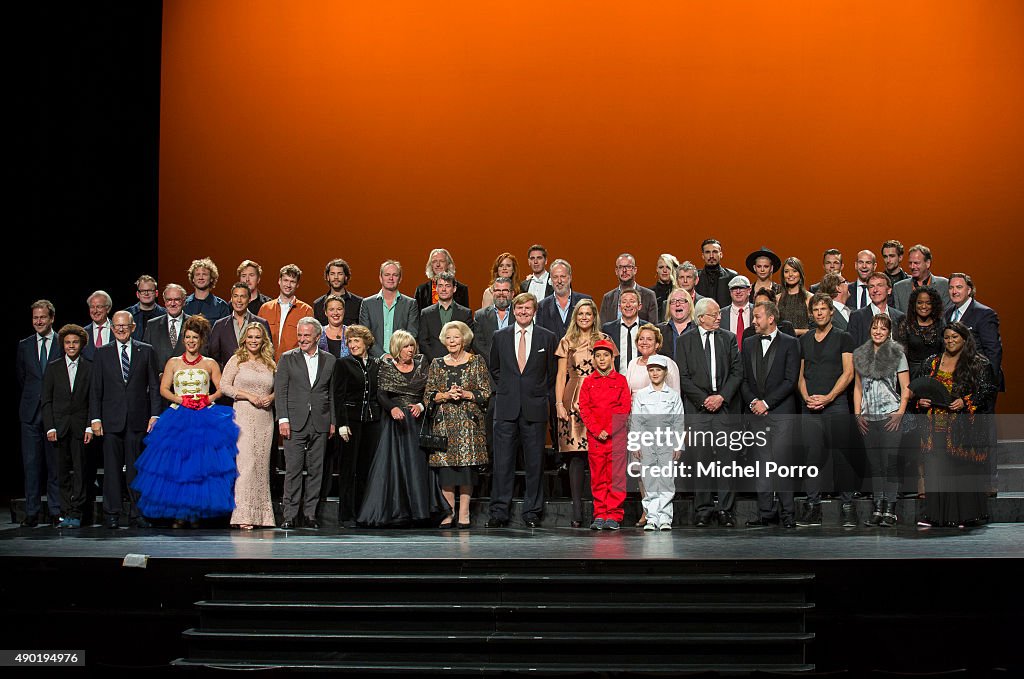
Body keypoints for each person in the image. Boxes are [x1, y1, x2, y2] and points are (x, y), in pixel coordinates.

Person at [132, 315, 239, 526]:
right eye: (188, 337)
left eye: (195, 338)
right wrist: (181, 399)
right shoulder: (173, 362)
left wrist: (206, 399)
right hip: (178, 416)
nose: (191, 341)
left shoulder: (210, 364)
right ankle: (180, 513)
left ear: (201, 341)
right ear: (183, 339)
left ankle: (197, 512)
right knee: (179, 467)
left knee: (200, 467)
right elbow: (163, 389)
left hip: (204, 417)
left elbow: (221, 389)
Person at [358, 330, 448, 527]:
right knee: (394, 465)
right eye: (406, 346)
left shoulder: (422, 363)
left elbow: (431, 390)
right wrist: (392, 408)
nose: (410, 349)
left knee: (417, 465)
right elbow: (381, 395)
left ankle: (420, 511)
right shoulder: (387, 366)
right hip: (396, 423)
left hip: (418, 420)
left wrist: (422, 406)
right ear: (397, 349)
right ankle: (396, 512)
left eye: (412, 346)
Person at [915, 322, 996, 528]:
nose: (950, 341)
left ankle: (965, 516)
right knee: (936, 470)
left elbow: (987, 391)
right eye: (947, 337)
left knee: (960, 470)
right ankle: (935, 516)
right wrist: (921, 401)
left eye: (955, 337)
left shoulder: (978, 363)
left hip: (962, 427)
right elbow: (921, 389)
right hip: (934, 425)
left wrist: (965, 401)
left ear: (964, 339)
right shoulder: (931, 362)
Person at [487, 293, 557, 528]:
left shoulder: (548, 337)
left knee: (535, 463)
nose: (524, 312)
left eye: (528, 308)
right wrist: (510, 388)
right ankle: (499, 512)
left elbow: (551, 373)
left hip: (534, 407)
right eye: (520, 308)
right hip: (506, 408)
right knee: (503, 462)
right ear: (514, 311)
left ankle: (532, 512)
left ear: (534, 311)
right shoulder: (500, 336)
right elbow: (494, 369)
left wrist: (535, 391)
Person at [90, 310, 162, 529]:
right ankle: (111, 513)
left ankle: (137, 512)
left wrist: (155, 414)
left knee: (136, 469)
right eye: (117, 326)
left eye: (125, 326)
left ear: (132, 327)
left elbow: (154, 386)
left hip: (137, 419)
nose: (121, 329)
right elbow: (96, 388)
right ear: (112, 329)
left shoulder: (146, 350)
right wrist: (95, 418)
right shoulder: (102, 353)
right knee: (111, 470)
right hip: (111, 420)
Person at [676, 298, 743, 527]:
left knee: (726, 461)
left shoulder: (729, 338)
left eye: (719, 314)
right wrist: (704, 400)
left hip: (724, 408)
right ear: (701, 317)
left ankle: (725, 510)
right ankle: (703, 509)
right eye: (714, 314)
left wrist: (721, 397)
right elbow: (683, 377)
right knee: (701, 461)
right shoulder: (685, 341)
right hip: (698, 410)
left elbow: (737, 372)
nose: (719, 317)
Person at [797, 294, 856, 527]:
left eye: (824, 309)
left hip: (836, 405)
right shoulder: (805, 340)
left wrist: (829, 397)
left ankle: (848, 507)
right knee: (812, 457)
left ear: (832, 311)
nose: (820, 313)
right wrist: (807, 398)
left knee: (841, 456)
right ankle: (813, 507)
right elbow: (800, 375)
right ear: (811, 313)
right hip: (809, 405)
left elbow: (848, 373)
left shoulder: (844, 338)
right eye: (816, 309)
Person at [740, 300, 801, 529]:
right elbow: (744, 379)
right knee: (762, 466)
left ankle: (788, 514)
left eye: (757, 317)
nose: (753, 321)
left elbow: (790, 380)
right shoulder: (747, 344)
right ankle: (766, 513)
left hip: (782, 414)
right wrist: (754, 402)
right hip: (757, 414)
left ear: (771, 318)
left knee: (782, 465)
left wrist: (767, 403)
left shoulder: (790, 343)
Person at [425, 321, 491, 528]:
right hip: (444, 424)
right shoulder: (436, 363)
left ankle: (464, 512)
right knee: (446, 471)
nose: (452, 341)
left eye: (456, 337)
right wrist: (445, 395)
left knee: (465, 471)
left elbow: (485, 392)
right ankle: (449, 511)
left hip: (469, 425)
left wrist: (465, 394)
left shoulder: (476, 361)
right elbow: (428, 395)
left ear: (464, 339)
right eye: (449, 338)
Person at [554, 298, 612, 527]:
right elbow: (560, 376)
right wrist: (559, 404)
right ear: (575, 317)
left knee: (600, 454)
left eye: (589, 313)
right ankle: (577, 510)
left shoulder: (605, 340)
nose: (585, 317)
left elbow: (613, 373)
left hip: (600, 396)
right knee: (576, 455)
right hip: (573, 397)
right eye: (581, 314)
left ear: (594, 316)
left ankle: (603, 508)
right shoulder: (567, 341)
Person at [275, 317, 336, 529]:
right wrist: (283, 419)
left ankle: (310, 514)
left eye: (306, 335)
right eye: (299, 335)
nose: (302, 339)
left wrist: (333, 422)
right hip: (294, 422)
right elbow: (280, 391)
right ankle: (289, 515)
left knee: (316, 470)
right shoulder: (287, 358)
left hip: (320, 420)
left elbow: (331, 394)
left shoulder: (329, 360)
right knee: (292, 469)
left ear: (318, 337)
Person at [854, 314, 911, 528]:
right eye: (875, 327)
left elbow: (906, 387)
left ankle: (890, 509)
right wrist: (857, 414)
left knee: (889, 464)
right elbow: (858, 388)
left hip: (890, 414)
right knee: (875, 465)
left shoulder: (897, 353)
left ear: (889, 332)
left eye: (883, 328)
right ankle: (877, 508)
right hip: (869, 416)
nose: (878, 331)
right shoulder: (861, 354)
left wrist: (900, 413)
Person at [220, 322, 277, 530]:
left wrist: (271, 397)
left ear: (263, 340)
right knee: (246, 464)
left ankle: (262, 516)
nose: (254, 340)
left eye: (257, 337)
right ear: (244, 339)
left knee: (261, 465)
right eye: (250, 337)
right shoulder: (237, 360)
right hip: (243, 414)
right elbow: (224, 386)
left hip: (265, 418)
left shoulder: (270, 362)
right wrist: (248, 396)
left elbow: (279, 387)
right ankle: (242, 514)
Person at [42, 324, 92, 529]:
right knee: (61, 471)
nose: (71, 346)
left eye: (75, 342)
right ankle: (64, 511)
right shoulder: (53, 367)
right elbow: (46, 400)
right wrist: (50, 427)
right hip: (59, 427)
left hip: (80, 427)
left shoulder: (90, 366)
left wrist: (90, 426)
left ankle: (77, 512)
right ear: (62, 344)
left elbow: (93, 399)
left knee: (80, 471)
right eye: (68, 342)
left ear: (82, 344)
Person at [17, 300, 63, 526]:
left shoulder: (62, 342)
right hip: (30, 414)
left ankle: (55, 511)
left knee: (54, 465)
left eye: (42, 317)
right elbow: (23, 377)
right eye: (35, 317)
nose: (38, 321)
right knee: (32, 465)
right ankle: (32, 512)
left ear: (52, 318)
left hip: (54, 413)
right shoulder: (24, 345)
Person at [578, 339, 631, 530]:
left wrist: (608, 430)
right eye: (598, 356)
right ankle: (600, 514)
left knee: (615, 477)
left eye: (605, 355)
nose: (602, 359)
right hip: (595, 438)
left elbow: (624, 408)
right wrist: (596, 430)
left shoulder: (621, 381)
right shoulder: (588, 382)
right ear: (593, 358)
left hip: (615, 437)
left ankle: (614, 515)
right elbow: (584, 408)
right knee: (598, 477)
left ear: (612, 357)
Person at [333, 325, 381, 528]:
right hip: (350, 422)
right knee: (348, 470)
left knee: (365, 470)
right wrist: (341, 424)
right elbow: (339, 396)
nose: (352, 345)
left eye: (356, 341)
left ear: (366, 343)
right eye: (349, 341)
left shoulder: (375, 364)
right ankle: (346, 515)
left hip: (371, 422)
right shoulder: (343, 364)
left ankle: (363, 513)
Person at [630, 354, 684, 531]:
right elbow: (636, 421)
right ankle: (652, 517)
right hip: (647, 441)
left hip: (667, 441)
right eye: (651, 370)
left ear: (665, 372)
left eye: (658, 370)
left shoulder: (674, 395)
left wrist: (678, 444)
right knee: (649, 480)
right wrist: (635, 444)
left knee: (667, 480)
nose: (654, 373)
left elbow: (678, 420)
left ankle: (666, 517)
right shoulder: (642, 396)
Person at [359, 259, 420, 359]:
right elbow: (365, 336)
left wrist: (397, 355)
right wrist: (382, 355)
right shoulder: (367, 303)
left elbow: (412, 334)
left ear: (400, 279)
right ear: (380, 278)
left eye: (395, 275)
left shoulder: (410, 304)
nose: (391, 278)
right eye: (387, 274)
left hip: (402, 359)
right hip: (374, 360)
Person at [260, 264, 315, 362]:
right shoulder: (265, 308)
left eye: (292, 282)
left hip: (294, 364)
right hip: (267, 364)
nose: (288, 285)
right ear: (279, 281)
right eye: (285, 280)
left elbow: (309, 342)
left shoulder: (306, 310)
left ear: (297, 284)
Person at [209, 282, 271, 369]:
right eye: (235, 296)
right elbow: (213, 355)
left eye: (243, 296)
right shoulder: (220, 325)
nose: (239, 300)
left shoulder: (262, 323)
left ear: (249, 299)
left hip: (254, 376)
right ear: (231, 298)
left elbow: (268, 353)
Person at [418, 272, 473, 362]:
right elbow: (423, 341)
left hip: (459, 363)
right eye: (440, 285)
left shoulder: (465, 313)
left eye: (447, 286)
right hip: (433, 363)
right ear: (436, 288)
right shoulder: (426, 313)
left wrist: (456, 358)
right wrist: (436, 360)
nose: (443, 289)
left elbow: (468, 341)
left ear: (454, 289)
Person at [894, 286, 945, 379]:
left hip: (935, 374)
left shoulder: (940, 324)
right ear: (914, 304)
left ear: (934, 305)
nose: (924, 306)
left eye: (928, 303)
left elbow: (944, 353)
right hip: (911, 374)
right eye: (920, 303)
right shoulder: (905, 324)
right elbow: (901, 355)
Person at [847, 272, 906, 348]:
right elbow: (850, 347)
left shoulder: (899, 317)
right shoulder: (856, 317)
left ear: (889, 290)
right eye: (871, 286)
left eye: (879, 285)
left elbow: (904, 348)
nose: (875, 290)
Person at [536, 259, 590, 339]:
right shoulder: (542, 306)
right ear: (550, 279)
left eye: (563, 276)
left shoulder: (585, 301)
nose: (559, 281)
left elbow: (593, 332)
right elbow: (540, 337)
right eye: (555, 277)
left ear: (570, 278)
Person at [599, 253, 659, 324]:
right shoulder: (608, 298)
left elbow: (653, 327)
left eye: (628, 267)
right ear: (616, 271)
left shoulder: (649, 295)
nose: (624, 270)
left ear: (635, 270)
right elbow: (602, 329)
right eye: (620, 267)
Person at [143, 284, 190, 373]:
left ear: (184, 301)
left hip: (187, 379)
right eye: (169, 300)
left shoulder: (194, 324)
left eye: (177, 300)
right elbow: (146, 356)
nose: (172, 304)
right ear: (164, 302)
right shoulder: (152, 325)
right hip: (159, 380)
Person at [892, 244, 950, 313]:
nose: (912, 267)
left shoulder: (944, 285)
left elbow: (947, 316)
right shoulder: (899, 288)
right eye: (910, 263)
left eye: (916, 263)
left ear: (928, 263)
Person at [625, 324, 680, 394]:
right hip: (634, 404)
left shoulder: (667, 362)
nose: (644, 342)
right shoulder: (632, 363)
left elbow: (675, 392)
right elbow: (627, 393)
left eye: (649, 339)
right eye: (641, 339)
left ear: (657, 344)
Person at [313, 258, 363, 327]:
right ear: (328, 277)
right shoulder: (318, 304)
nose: (336, 277)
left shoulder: (358, 302)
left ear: (345, 277)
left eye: (340, 274)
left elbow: (362, 331)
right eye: (332, 274)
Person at [184, 257, 230, 322]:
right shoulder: (183, 304)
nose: (201, 277)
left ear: (211, 278)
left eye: (204, 274)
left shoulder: (221, 306)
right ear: (193, 279)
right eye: (197, 274)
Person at [694, 239, 738, 308]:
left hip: (725, 317)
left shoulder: (732, 276)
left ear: (721, 254)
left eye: (715, 252)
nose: (711, 256)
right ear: (703, 256)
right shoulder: (695, 277)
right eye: (707, 252)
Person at [657, 288, 696, 360]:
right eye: (673, 301)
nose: (677, 304)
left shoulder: (699, 329)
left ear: (690, 305)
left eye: (682, 301)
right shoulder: (658, 331)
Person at [777, 257, 812, 336]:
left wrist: (794, 332)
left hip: (803, 343)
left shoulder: (809, 298)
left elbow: (814, 329)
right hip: (782, 344)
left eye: (794, 271)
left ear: (800, 273)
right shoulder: (777, 299)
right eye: (786, 271)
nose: (790, 274)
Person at [125, 275, 165, 341]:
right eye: (143, 291)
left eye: (150, 290)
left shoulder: (165, 314)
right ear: (138, 294)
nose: (146, 294)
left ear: (156, 293)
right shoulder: (127, 315)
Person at [316, 294, 352, 359]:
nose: (335, 313)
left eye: (339, 309)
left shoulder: (352, 333)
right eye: (331, 309)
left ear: (344, 311)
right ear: (326, 312)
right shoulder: (318, 333)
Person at [82, 290, 114, 361]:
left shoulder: (118, 330)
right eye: (92, 307)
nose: (95, 311)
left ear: (108, 309)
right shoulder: (82, 333)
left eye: (99, 307)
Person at [722, 275, 753, 342]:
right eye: (734, 288)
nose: (738, 292)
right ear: (730, 292)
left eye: (742, 288)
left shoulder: (756, 311)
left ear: (749, 290)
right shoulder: (721, 314)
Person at [651, 253, 680, 318]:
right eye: (661, 267)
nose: (664, 270)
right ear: (657, 269)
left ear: (673, 269)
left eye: (668, 267)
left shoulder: (680, 293)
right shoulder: (649, 293)